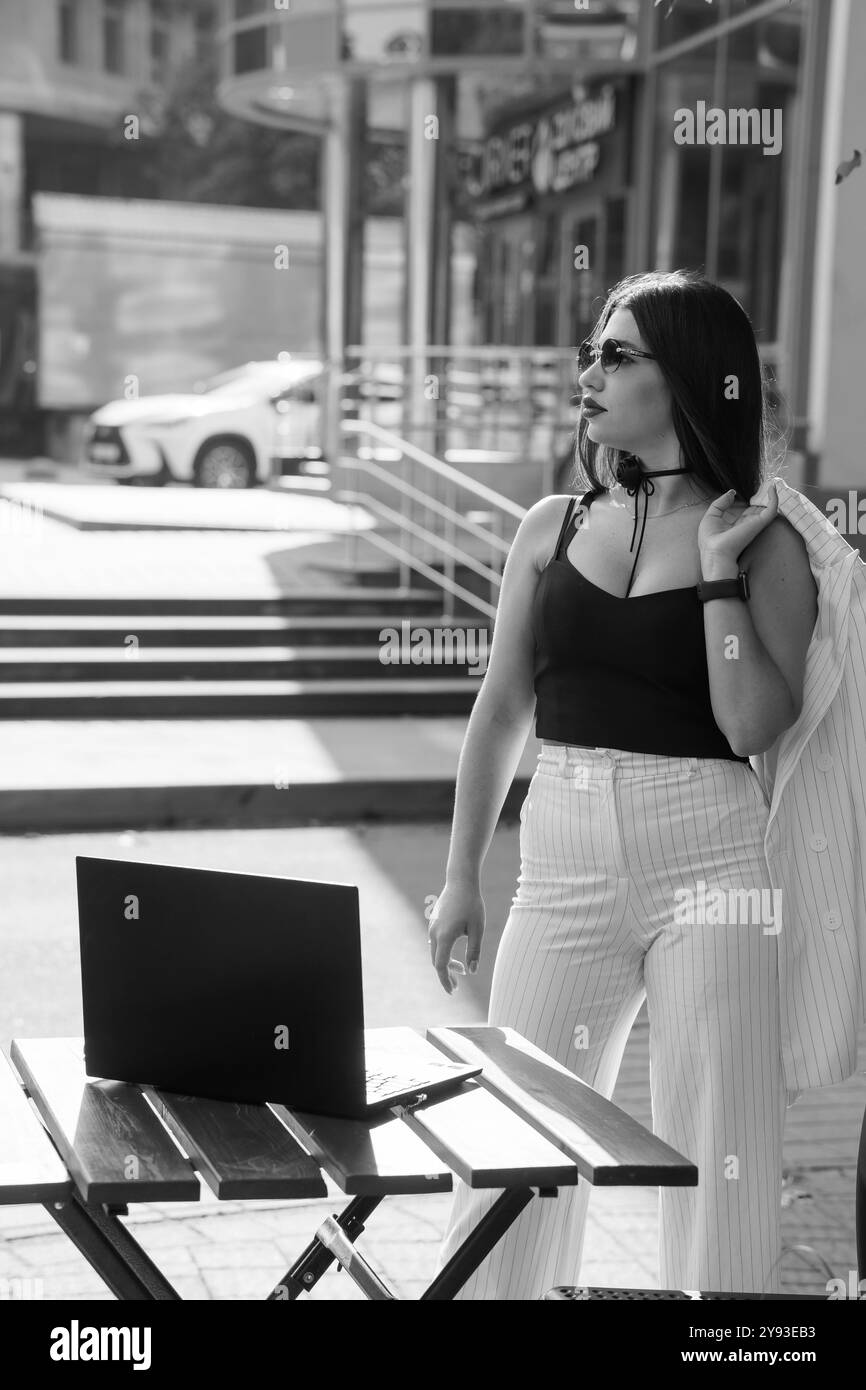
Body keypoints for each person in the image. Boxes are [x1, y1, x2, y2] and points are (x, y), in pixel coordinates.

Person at [426, 269, 819, 1300]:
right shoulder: (547, 526)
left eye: (616, 354)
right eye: (590, 351)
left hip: (715, 858)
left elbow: (748, 725)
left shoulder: (765, 539)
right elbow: (500, 709)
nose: (586, 371)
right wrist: (461, 874)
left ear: (684, 375)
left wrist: (718, 576)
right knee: (510, 1140)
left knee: (718, 1152)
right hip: (557, 858)